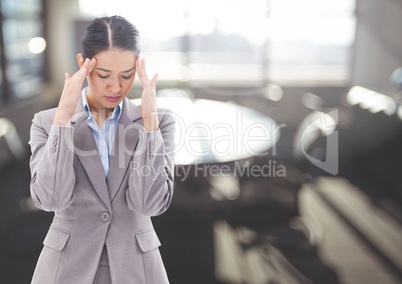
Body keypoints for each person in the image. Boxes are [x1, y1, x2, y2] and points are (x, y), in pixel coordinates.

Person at [28, 15, 175, 283]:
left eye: (126, 75)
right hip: (67, 266)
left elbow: (148, 204)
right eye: (104, 75)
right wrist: (63, 119)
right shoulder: (47, 122)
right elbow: (51, 200)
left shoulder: (158, 122)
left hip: (136, 267)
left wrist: (149, 125)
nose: (116, 87)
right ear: (83, 65)